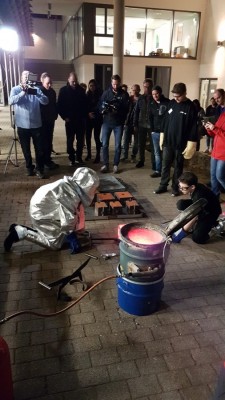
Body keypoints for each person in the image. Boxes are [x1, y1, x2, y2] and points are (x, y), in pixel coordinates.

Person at [4, 167, 99, 253]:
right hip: (41, 214)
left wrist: (74, 230)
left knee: (62, 233)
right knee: (54, 244)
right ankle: (21, 232)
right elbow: (68, 219)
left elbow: (73, 214)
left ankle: (23, 229)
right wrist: (71, 236)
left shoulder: (70, 187)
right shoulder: (70, 194)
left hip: (45, 208)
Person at [154, 82, 198, 196]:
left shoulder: (190, 106)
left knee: (178, 167)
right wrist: (162, 135)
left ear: (185, 93)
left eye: (178, 96)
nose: (176, 98)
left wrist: (191, 143)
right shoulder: (171, 103)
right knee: (165, 165)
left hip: (180, 143)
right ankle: (163, 185)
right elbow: (165, 120)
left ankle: (176, 187)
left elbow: (193, 126)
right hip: (168, 141)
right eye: (174, 96)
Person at [9, 70, 49, 179]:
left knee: (39, 150)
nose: (26, 78)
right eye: (25, 76)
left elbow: (46, 101)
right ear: (21, 78)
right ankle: (29, 167)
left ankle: (39, 169)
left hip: (36, 125)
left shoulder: (36, 89)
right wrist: (23, 93)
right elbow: (11, 101)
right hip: (22, 126)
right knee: (26, 150)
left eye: (28, 76)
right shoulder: (15, 89)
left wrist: (36, 94)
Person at [171, 171, 222, 244]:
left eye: (184, 188)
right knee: (181, 204)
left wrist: (182, 232)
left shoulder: (199, 196)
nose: (180, 190)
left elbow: (195, 216)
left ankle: (215, 226)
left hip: (210, 212)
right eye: (180, 186)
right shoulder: (195, 188)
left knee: (197, 238)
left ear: (192, 186)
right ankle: (199, 225)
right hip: (201, 205)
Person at [99, 74, 129, 173]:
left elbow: (126, 109)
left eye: (117, 84)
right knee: (105, 144)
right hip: (107, 122)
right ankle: (105, 164)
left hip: (118, 123)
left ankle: (116, 164)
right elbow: (100, 105)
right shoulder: (106, 93)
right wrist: (103, 109)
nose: (115, 86)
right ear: (111, 83)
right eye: (113, 84)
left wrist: (118, 110)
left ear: (119, 83)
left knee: (117, 145)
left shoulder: (124, 94)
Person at [57, 72, 87, 166]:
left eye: (76, 81)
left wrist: (84, 116)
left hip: (80, 120)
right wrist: (64, 117)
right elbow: (60, 105)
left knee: (80, 140)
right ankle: (71, 157)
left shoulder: (81, 90)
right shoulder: (63, 91)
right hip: (69, 120)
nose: (74, 83)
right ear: (68, 80)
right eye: (73, 81)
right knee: (70, 141)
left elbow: (84, 105)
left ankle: (79, 157)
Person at [204, 104, 225, 198]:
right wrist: (209, 129)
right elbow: (215, 133)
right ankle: (215, 198)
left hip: (223, 154)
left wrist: (215, 129)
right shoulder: (222, 115)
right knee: (213, 176)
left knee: (220, 176)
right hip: (215, 151)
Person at [149, 85, 170, 177]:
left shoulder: (168, 102)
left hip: (165, 132)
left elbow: (170, 117)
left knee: (165, 153)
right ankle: (158, 171)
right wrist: (152, 130)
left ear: (160, 93)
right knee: (157, 152)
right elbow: (150, 117)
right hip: (156, 132)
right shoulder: (151, 104)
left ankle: (165, 171)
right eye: (153, 94)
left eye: (156, 93)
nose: (155, 96)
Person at [40, 72, 59, 170]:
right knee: (43, 142)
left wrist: (55, 115)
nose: (50, 85)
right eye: (48, 83)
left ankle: (48, 160)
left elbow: (54, 104)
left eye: (51, 82)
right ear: (42, 81)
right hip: (42, 122)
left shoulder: (52, 92)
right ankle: (43, 161)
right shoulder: (39, 91)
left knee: (49, 141)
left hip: (50, 120)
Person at [133, 78, 154, 168]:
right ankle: (141, 160)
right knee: (141, 144)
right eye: (145, 87)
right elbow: (136, 111)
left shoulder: (154, 98)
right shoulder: (141, 98)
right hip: (141, 124)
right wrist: (135, 124)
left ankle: (154, 163)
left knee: (153, 145)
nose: (147, 89)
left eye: (149, 87)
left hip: (152, 125)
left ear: (152, 87)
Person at [121, 84, 141, 162]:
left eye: (136, 90)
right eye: (133, 90)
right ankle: (125, 155)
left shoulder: (141, 99)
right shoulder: (129, 99)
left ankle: (133, 156)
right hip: (128, 122)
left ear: (139, 90)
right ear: (131, 90)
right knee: (125, 140)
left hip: (138, 123)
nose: (134, 91)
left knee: (136, 141)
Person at [85, 79, 103, 163]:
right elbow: (85, 106)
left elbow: (100, 106)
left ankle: (98, 155)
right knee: (88, 137)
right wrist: (88, 113)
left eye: (93, 85)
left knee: (96, 137)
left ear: (96, 86)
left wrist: (94, 113)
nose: (92, 87)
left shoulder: (99, 95)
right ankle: (89, 154)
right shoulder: (87, 95)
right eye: (90, 85)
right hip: (88, 119)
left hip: (97, 118)